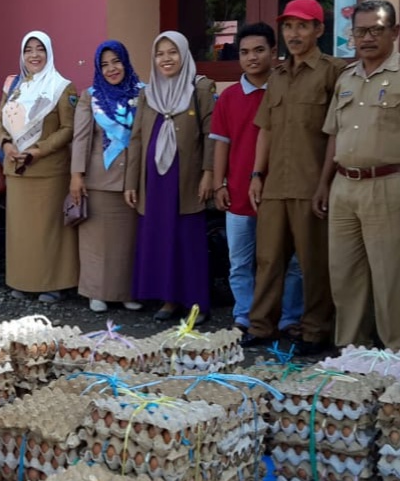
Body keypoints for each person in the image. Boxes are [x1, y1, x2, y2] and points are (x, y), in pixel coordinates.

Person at [314, 0, 400, 351]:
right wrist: (324, 183)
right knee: (345, 274)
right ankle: (352, 349)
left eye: (376, 30)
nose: (367, 38)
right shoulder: (346, 78)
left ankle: (399, 352)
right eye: (360, 31)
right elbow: (334, 135)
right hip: (343, 186)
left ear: (394, 32)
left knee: (391, 275)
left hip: (387, 184)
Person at [243, 0, 347, 354]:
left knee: (314, 263)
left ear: (319, 29)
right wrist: (257, 174)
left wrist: (326, 182)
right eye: (288, 26)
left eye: (302, 25)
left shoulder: (334, 71)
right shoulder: (278, 76)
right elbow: (266, 129)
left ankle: (315, 331)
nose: (293, 33)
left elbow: (338, 132)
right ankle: (261, 326)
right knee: (268, 259)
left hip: (312, 184)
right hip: (275, 185)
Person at [210, 22, 303, 337]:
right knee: (240, 262)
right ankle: (245, 316)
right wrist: (220, 184)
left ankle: (289, 317)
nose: (252, 57)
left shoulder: (287, 90)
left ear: (274, 52)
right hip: (238, 192)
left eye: (259, 50)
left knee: (289, 262)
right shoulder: (228, 97)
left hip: (281, 191)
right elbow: (221, 143)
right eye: (245, 52)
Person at [124, 31, 215, 324]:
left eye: (172, 52)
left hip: (186, 178)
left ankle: (196, 302)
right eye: (160, 54)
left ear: (184, 54)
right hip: (155, 181)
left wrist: (209, 174)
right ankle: (169, 299)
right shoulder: (148, 93)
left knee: (187, 239)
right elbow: (137, 140)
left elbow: (211, 135)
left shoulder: (200, 89)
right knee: (161, 237)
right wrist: (131, 182)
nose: (166, 59)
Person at [0, 31, 79, 304]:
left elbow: (68, 128)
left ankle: (53, 284)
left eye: (39, 49)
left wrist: (39, 150)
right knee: (21, 231)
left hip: (48, 171)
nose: (34, 55)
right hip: (17, 169)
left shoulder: (62, 87)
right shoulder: (14, 85)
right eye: (28, 49)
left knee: (47, 231)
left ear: (49, 52)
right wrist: (6, 144)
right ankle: (23, 279)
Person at [70, 40, 143, 314]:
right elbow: (81, 138)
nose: (112, 69)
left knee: (127, 243)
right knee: (96, 242)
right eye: (105, 64)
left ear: (126, 62)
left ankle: (126, 292)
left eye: (116, 61)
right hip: (98, 179)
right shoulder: (90, 96)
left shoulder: (142, 93)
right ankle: (96, 292)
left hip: (133, 179)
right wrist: (76, 175)